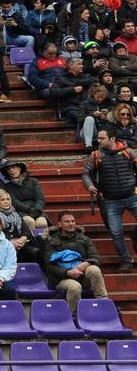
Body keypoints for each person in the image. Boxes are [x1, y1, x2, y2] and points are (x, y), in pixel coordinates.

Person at [82, 128, 137, 270]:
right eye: (98, 138)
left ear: (112, 139)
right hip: (110, 200)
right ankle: (126, 261)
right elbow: (86, 173)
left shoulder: (128, 152)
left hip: (132, 196)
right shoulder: (95, 155)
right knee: (116, 232)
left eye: (102, 138)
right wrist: (89, 186)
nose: (98, 141)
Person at [41, 211, 109, 311]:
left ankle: (103, 304)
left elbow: (96, 257)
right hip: (62, 279)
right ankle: (73, 316)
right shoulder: (50, 241)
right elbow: (49, 266)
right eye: (67, 221)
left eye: (73, 221)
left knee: (94, 269)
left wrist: (87, 263)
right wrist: (67, 272)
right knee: (74, 287)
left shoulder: (84, 239)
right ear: (59, 224)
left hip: (82, 275)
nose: (71, 224)